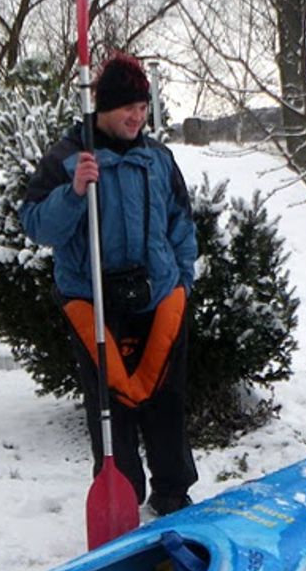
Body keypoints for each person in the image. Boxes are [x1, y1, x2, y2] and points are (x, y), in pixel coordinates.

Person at [19, 52, 198, 516]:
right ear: (102, 108)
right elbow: (37, 226)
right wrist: (74, 191)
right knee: (110, 411)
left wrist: (183, 279)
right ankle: (121, 497)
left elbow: (181, 221)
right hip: (94, 303)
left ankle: (173, 494)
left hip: (159, 296)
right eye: (128, 108)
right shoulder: (67, 157)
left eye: (143, 106)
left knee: (167, 403)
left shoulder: (159, 158)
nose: (138, 116)